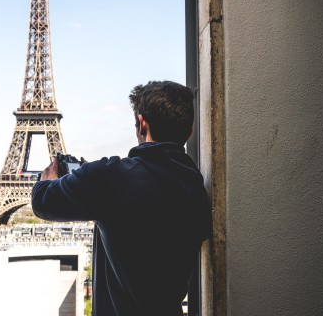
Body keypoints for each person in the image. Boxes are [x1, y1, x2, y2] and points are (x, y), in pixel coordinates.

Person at [31, 80, 212, 316]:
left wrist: (48, 180)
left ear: (141, 123)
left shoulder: (110, 178)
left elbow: (42, 202)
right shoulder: (195, 186)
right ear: (189, 131)